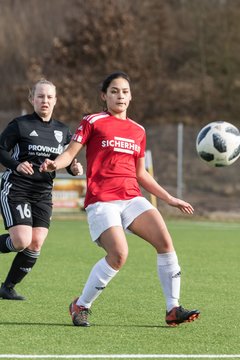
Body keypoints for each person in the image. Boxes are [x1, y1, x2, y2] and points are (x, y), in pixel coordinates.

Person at [40, 71, 200, 327]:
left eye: (125, 91)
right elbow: (70, 153)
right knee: (119, 254)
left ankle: (173, 308)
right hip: (102, 200)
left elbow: (140, 174)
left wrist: (169, 198)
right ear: (104, 96)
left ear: (131, 96)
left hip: (131, 198)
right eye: (114, 91)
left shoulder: (138, 130)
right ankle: (81, 305)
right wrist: (54, 165)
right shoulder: (92, 121)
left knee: (165, 243)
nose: (120, 96)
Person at [0, 79, 83, 300]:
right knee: (20, 242)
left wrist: (74, 168)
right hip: (16, 188)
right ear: (32, 99)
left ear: (55, 101)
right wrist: (16, 164)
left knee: (36, 243)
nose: (44, 100)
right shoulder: (20, 125)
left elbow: (66, 159)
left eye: (49, 97)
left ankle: (7, 287)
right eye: (40, 96)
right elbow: (1, 150)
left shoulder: (63, 131)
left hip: (43, 192)